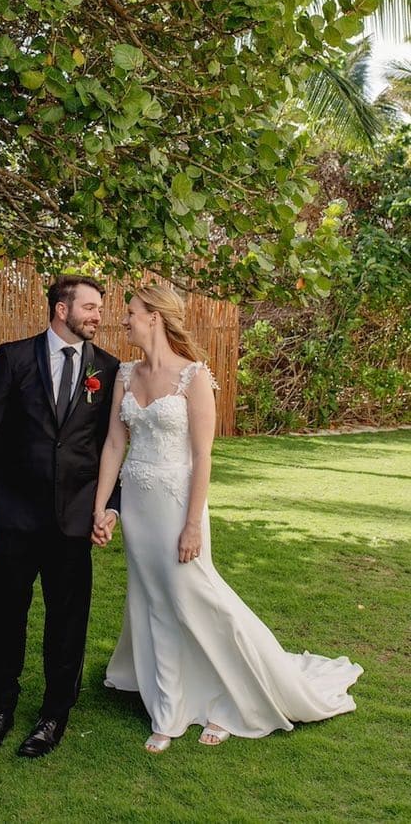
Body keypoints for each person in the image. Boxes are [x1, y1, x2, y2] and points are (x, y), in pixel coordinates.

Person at [92, 285, 363, 753]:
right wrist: (102, 507)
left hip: (179, 504)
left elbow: (203, 456)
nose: (125, 321)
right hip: (137, 503)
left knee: (198, 599)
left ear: (155, 317)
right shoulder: (124, 374)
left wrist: (193, 523)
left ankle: (231, 700)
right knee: (153, 601)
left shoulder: (194, 377)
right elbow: (115, 445)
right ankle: (169, 707)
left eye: (131, 313)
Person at [0, 274, 120, 759]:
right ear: (61, 309)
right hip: (12, 516)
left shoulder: (109, 369)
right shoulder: (12, 358)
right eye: (90, 307)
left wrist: (110, 507)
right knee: (5, 616)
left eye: (99, 308)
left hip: (74, 521)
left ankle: (54, 714)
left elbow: (114, 448)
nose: (98, 316)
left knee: (68, 622)